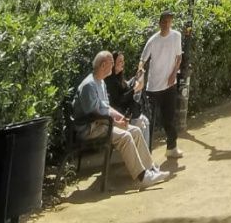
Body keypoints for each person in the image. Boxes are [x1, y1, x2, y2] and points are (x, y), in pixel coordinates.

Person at [72, 51, 168, 189]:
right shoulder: (89, 85)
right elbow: (94, 115)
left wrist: (119, 117)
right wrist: (116, 123)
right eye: (112, 63)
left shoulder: (100, 82)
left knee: (134, 131)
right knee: (125, 136)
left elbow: (106, 107)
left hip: (100, 125)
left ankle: (150, 169)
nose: (113, 67)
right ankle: (143, 177)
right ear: (103, 65)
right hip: (89, 129)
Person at [141, 9, 183, 161]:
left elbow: (178, 57)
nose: (166, 24)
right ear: (159, 23)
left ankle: (172, 148)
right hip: (153, 87)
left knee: (169, 119)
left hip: (169, 86)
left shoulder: (176, 36)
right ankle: (146, 154)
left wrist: (173, 74)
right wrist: (140, 72)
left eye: (169, 21)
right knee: (149, 122)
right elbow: (143, 60)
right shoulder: (153, 40)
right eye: (164, 21)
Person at [107, 51, 150, 144]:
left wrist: (139, 77)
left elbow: (130, 89)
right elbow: (119, 100)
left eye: (123, 61)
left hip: (128, 110)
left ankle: (145, 155)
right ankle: (141, 156)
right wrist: (134, 89)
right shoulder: (110, 80)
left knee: (145, 121)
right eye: (120, 61)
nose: (122, 63)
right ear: (113, 63)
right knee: (142, 123)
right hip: (120, 112)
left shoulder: (119, 78)